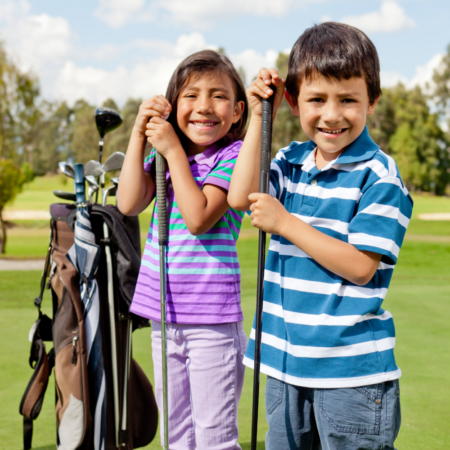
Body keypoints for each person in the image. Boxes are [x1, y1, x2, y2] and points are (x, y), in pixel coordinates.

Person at [228, 22, 413, 450]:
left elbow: (361, 267)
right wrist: (259, 115)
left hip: (350, 375)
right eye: (316, 100)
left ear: (373, 101)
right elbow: (240, 195)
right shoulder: (289, 160)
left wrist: (287, 224)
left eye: (348, 99)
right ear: (293, 102)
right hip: (285, 366)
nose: (331, 115)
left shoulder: (379, 176)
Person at [118, 50, 248, 450]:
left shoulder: (232, 156)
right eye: (191, 95)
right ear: (174, 107)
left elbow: (199, 216)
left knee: (214, 439)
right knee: (176, 436)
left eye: (218, 96)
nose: (204, 107)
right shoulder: (164, 157)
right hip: (166, 316)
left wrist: (173, 151)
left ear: (238, 111)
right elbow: (127, 204)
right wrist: (139, 134)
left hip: (212, 320)